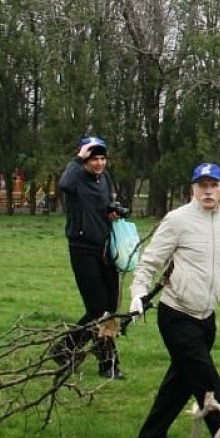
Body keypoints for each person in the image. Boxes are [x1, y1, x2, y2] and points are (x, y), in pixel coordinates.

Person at [130, 162, 220, 438]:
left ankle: (151, 436)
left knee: (182, 380)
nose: (208, 191)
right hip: (177, 315)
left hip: (206, 318)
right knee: (207, 382)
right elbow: (150, 262)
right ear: (193, 189)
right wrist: (137, 294)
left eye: (214, 185)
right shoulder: (177, 220)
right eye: (202, 186)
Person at [57, 135, 126, 379]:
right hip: (82, 248)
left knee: (110, 307)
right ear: (84, 158)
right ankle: (103, 361)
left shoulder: (104, 178)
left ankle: (70, 350)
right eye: (93, 158)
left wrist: (112, 212)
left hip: (105, 248)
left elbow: (103, 206)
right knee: (97, 307)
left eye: (102, 158)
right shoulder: (75, 177)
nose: (98, 163)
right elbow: (64, 185)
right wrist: (78, 159)